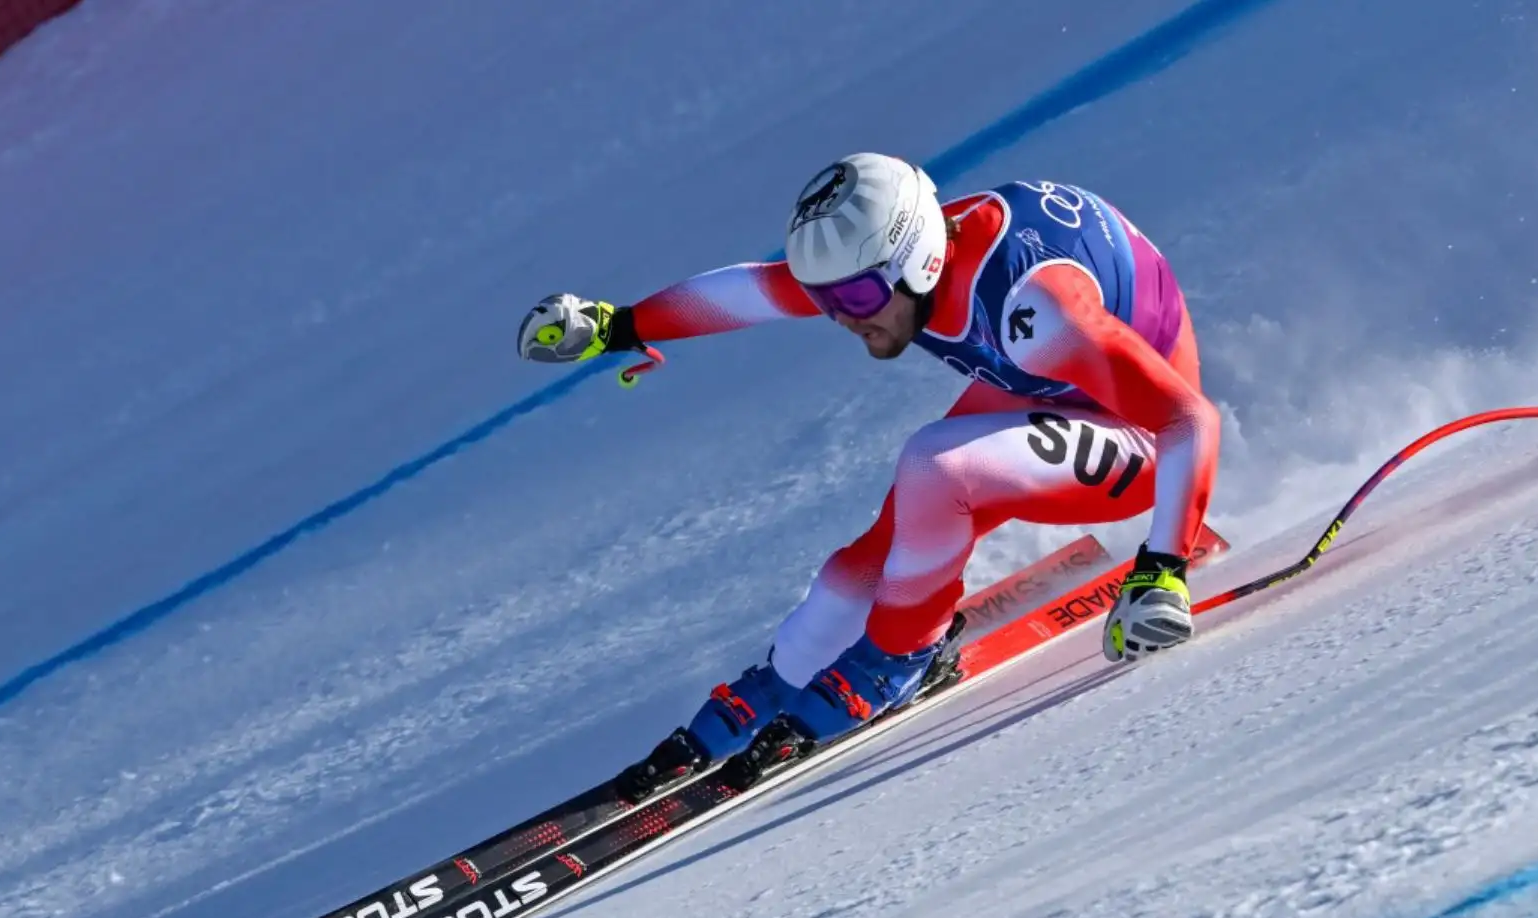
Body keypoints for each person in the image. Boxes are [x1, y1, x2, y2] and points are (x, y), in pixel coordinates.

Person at [517, 152, 1221, 795]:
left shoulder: (1039, 312)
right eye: (825, 303)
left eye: (853, 301)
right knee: (874, 552)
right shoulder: (880, 260)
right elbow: (751, 292)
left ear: (919, 266)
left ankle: (897, 659)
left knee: (935, 467)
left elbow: (1189, 418)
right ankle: (783, 676)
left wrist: (1161, 571)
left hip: (1142, 434)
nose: (844, 319)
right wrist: (619, 326)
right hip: (1047, 386)